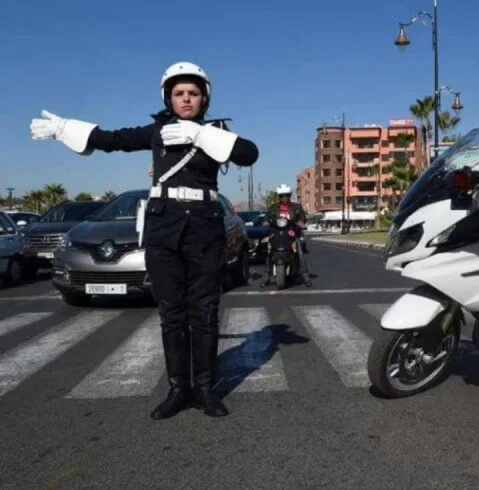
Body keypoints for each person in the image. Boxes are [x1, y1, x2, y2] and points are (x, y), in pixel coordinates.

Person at [29, 61, 259, 419]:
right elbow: (113, 140)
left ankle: (204, 389)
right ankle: (178, 390)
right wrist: (64, 129)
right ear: (168, 97)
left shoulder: (216, 133)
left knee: (206, 312)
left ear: (204, 98)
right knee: (171, 313)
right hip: (163, 226)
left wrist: (200, 135)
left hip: (203, 226)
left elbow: (249, 154)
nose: (186, 100)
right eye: (179, 93)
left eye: (193, 93)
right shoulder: (156, 131)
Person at [260, 184, 312, 287]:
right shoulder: (273, 208)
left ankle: (305, 277)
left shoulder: (296, 207)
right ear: (278, 197)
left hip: (291, 234)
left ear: (290, 195)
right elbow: (265, 220)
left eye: (287, 195)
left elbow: (302, 218)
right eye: (282, 196)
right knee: (269, 252)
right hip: (276, 235)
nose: (284, 198)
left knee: (299, 251)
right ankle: (266, 277)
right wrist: (267, 222)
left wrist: (300, 223)